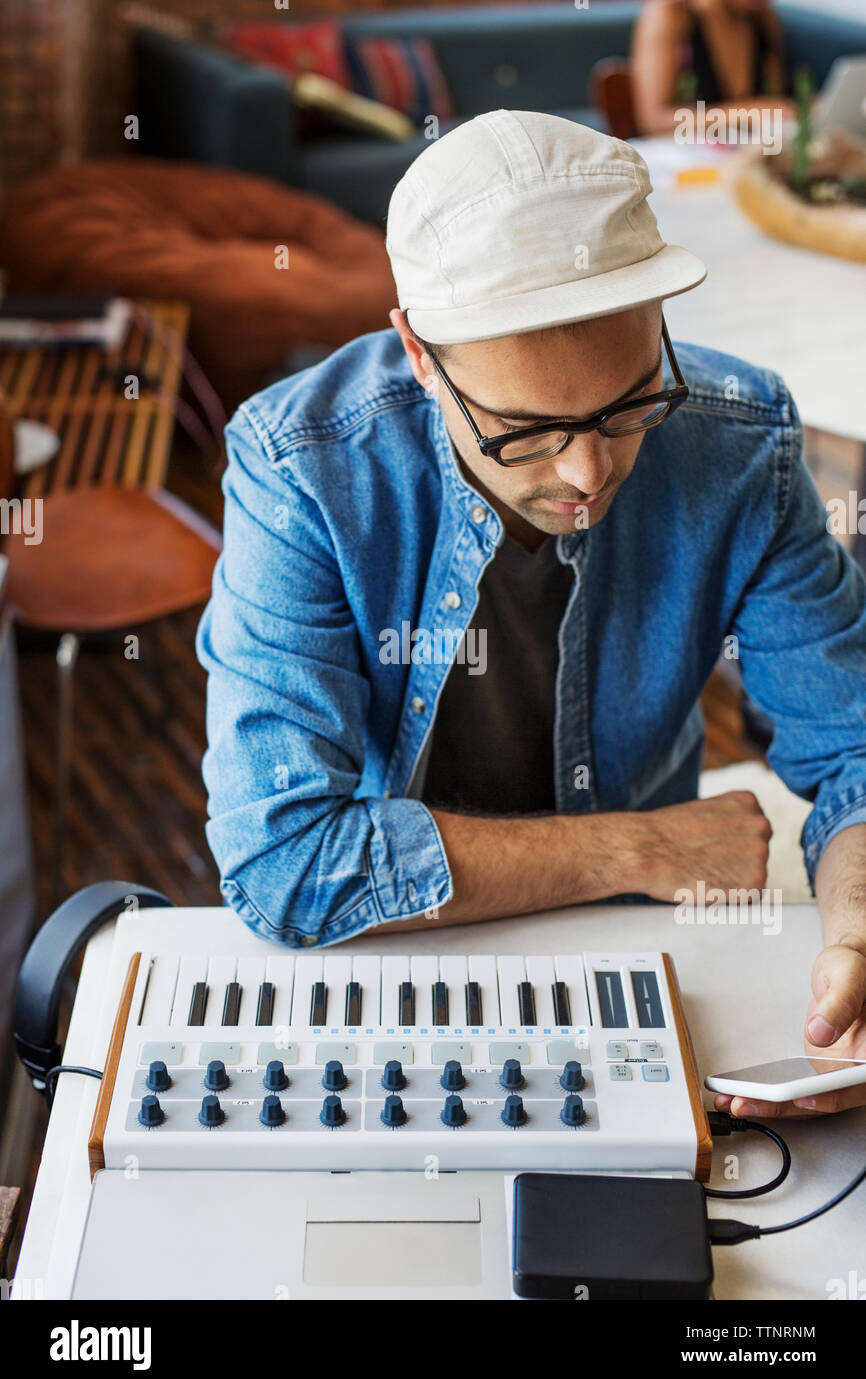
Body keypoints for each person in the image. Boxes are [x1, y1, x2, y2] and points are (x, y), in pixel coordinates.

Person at [197, 111, 866, 1120]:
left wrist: (855, 938)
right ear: (420, 355)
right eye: (525, 432)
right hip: (386, 946)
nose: (586, 473)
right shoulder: (300, 468)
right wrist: (633, 848)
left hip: (641, 948)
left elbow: (852, 749)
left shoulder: (739, 440)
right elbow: (286, 860)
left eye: (627, 405)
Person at [632, 0, 792, 136]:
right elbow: (652, 121)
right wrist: (743, 113)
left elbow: (776, 98)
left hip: (740, 157)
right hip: (681, 160)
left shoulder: (761, 18)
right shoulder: (671, 15)